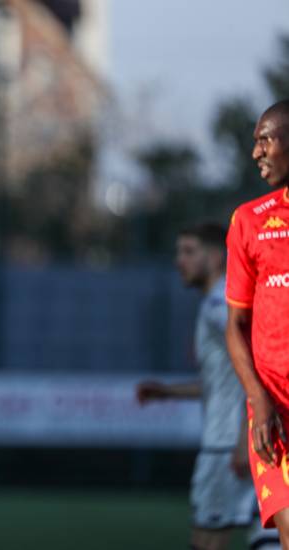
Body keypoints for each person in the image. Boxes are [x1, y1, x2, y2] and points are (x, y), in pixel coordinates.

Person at [137, 224, 278, 550]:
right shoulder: (232, 299)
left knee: (207, 542)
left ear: (215, 256)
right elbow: (230, 378)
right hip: (256, 442)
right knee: (268, 538)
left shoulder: (221, 305)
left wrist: (246, 436)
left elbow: (261, 362)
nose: (179, 260)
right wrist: (168, 392)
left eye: (188, 251)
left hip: (228, 445)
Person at [226, 99, 289, 547]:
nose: (256, 153)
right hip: (273, 414)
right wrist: (258, 401)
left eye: (265, 139)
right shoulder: (250, 220)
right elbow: (236, 325)